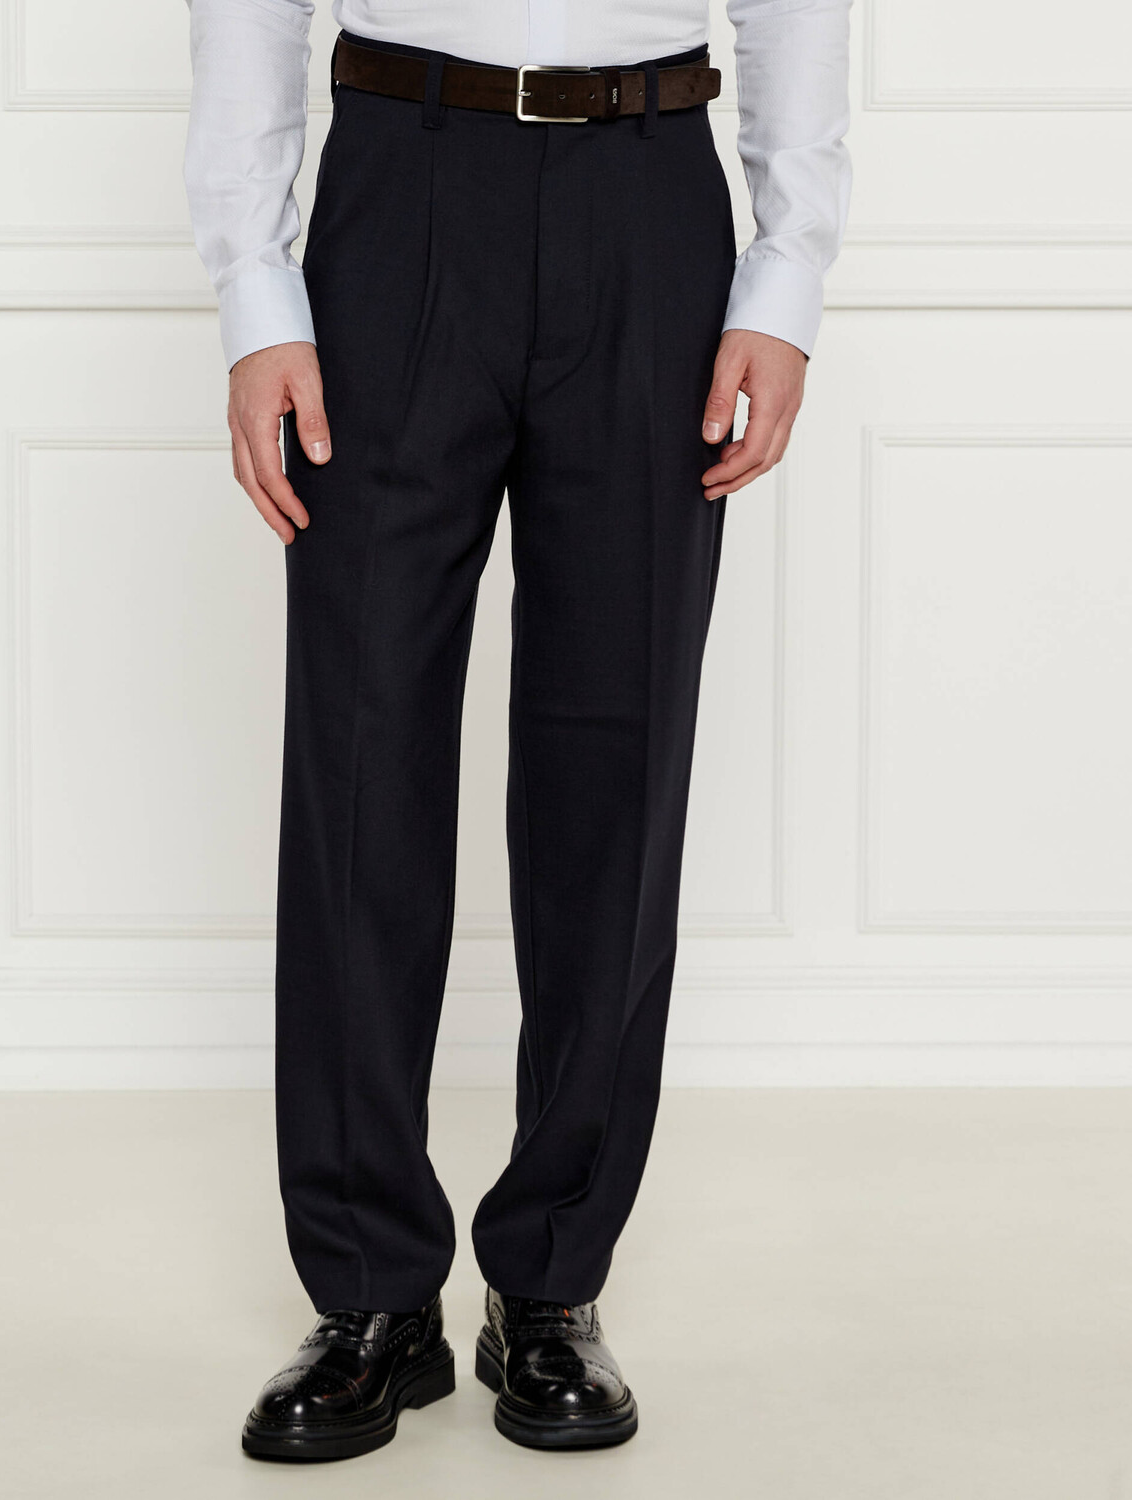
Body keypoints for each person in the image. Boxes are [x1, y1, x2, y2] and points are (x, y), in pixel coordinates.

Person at [184, 0, 851, 1460]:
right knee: (360, 755)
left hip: (650, 193)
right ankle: (370, 1295)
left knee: (616, 755)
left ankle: (551, 1281)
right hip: (401, 183)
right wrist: (256, 293)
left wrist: (785, 276)